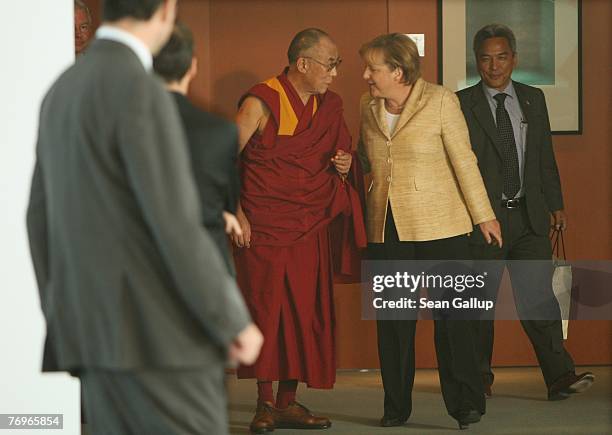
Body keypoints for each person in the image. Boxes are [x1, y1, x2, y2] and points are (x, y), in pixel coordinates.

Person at [26, 1, 262, 434]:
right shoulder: (140, 90)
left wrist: (61, 309)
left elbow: (38, 217)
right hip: (157, 337)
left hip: (89, 330)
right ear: (166, 11)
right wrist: (231, 319)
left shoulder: (63, 87)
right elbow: (174, 220)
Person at [357, 33, 502, 429]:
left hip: (443, 227)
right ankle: (395, 408)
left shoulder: (440, 100)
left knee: (454, 322)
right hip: (386, 229)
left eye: (373, 67)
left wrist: (484, 216)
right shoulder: (366, 106)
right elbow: (365, 160)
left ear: (398, 71)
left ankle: (465, 404)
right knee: (393, 326)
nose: (365, 74)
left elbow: (464, 161)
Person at [233, 28, 365, 434]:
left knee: (302, 311)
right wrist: (235, 212)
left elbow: (339, 157)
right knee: (266, 312)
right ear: (303, 64)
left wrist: (345, 165)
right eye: (331, 64)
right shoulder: (261, 100)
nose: (335, 74)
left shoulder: (330, 105)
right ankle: (264, 403)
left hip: (310, 225)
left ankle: (288, 403)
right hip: (265, 226)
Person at [456, 23, 594, 401]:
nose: (494, 66)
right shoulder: (461, 103)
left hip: (529, 217)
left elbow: (543, 157)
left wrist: (556, 203)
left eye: (502, 57)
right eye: (486, 58)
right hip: (484, 221)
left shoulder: (533, 98)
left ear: (514, 59)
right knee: (478, 305)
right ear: (477, 61)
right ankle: (478, 378)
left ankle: (559, 377)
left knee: (539, 299)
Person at [153, 22, 242, 274]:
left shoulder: (121, 127)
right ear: (192, 66)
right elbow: (227, 197)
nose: (366, 75)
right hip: (203, 262)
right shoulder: (221, 131)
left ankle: (367, 310)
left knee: (367, 302)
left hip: (145, 262)